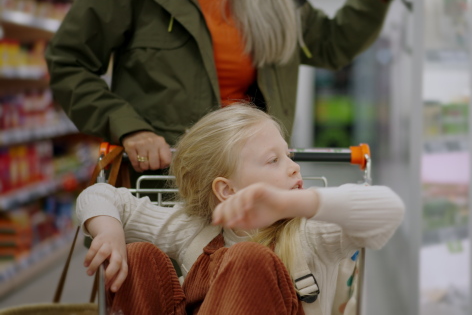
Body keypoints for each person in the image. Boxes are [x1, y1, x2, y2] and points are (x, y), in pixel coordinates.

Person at [45, 0, 411, 173]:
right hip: (168, 183)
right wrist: (128, 126)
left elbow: (330, 45)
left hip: (257, 181)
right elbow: (68, 61)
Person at [78, 103, 405, 314]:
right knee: (137, 257)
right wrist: (109, 231)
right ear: (226, 190)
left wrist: (292, 203)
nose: (293, 167)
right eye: (273, 160)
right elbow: (101, 195)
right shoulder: (193, 228)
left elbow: (389, 209)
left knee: (247, 261)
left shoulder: (309, 233)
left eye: (288, 155)